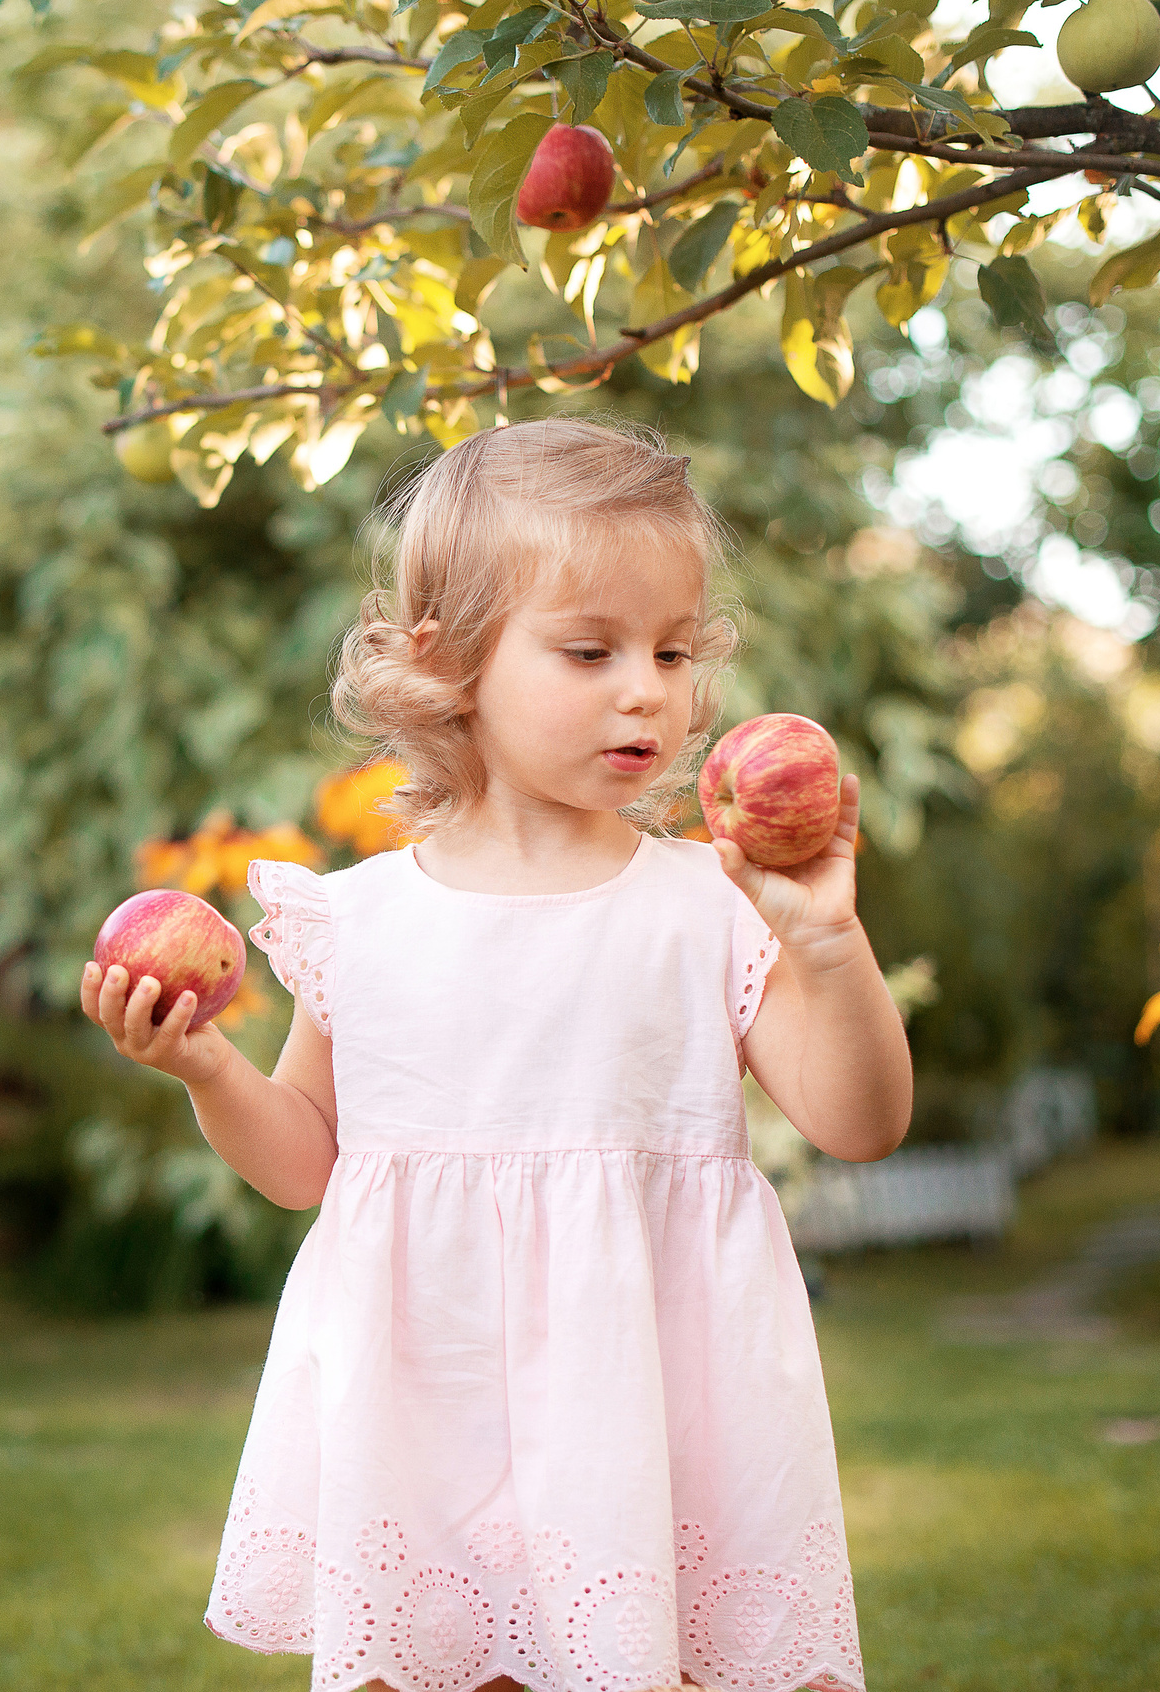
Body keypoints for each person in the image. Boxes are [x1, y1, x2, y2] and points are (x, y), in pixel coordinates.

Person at [79, 414, 910, 1692]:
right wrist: (210, 1071)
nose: (648, 686)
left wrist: (830, 941)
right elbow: (306, 1162)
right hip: (432, 1408)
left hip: (652, 1405)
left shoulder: (704, 901)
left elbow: (859, 1120)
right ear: (448, 660)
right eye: (591, 648)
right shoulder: (361, 920)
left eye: (674, 649)